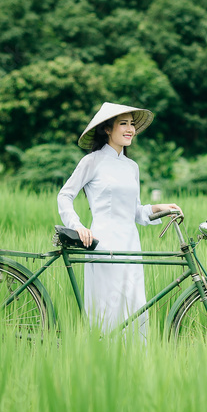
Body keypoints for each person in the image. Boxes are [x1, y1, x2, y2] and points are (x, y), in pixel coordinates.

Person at [57, 102, 181, 341]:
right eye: (123, 123)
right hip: (103, 243)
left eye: (132, 124)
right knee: (107, 306)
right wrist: (78, 226)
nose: (130, 129)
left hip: (131, 244)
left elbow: (135, 211)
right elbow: (65, 195)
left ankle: (133, 368)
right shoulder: (92, 161)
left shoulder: (132, 167)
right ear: (107, 129)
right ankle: (102, 363)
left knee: (135, 307)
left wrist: (160, 208)